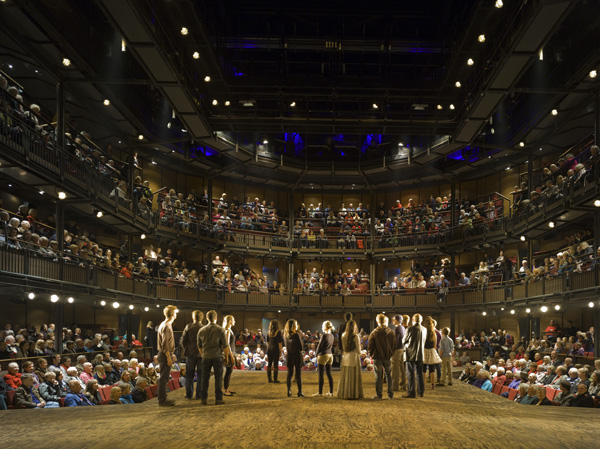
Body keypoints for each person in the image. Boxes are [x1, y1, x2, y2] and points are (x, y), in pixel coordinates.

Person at [197, 310, 231, 405]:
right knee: (218, 378)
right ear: (216, 318)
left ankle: (204, 399)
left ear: (207, 318)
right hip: (217, 356)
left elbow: (199, 345)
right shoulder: (220, 329)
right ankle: (218, 399)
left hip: (206, 357)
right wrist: (226, 357)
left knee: (205, 378)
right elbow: (225, 345)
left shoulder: (201, 330)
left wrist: (203, 354)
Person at [368, 313, 395, 400]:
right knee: (389, 375)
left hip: (377, 356)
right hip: (387, 356)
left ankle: (379, 394)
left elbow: (370, 345)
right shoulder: (391, 332)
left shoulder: (374, 333)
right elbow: (394, 345)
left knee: (378, 376)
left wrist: (370, 354)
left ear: (377, 321)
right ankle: (390, 394)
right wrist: (391, 353)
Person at [156, 305, 178, 407]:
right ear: (173, 314)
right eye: (175, 313)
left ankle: (163, 399)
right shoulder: (167, 326)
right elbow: (165, 344)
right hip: (165, 354)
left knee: (164, 378)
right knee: (163, 378)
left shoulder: (163, 324)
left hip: (165, 354)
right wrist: (169, 356)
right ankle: (162, 400)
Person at [336, 319, 364, 399]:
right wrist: (361, 353)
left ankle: (345, 393)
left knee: (345, 376)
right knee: (353, 376)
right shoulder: (355, 336)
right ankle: (353, 394)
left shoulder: (343, 334)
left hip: (345, 356)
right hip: (353, 357)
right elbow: (358, 350)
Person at [403, 313, 427, 398]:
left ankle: (411, 392)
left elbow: (404, 341)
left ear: (413, 320)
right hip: (420, 354)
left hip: (410, 353)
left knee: (410, 373)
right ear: (421, 320)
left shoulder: (410, 329)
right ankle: (421, 392)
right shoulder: (424, 329)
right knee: (420, 374)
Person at [180, 310, 203, 400]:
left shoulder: (188, 327)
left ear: (193, 317)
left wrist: (186, 348)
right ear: (202, 318)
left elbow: (183, 340)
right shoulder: (204, 328)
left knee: (189, 375)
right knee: (201, 375)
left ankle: (189, 394)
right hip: (201, 354)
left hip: (190, 354)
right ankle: (199, 394)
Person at [313, 321, 335, 397]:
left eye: (323, 326)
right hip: (330, 355)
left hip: (323, 355)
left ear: (325, 327)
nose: (322, 327)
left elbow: (320, 346)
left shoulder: (324, 336)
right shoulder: (332, 335)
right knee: (329, 374)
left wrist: (316, 354)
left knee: (321, 374)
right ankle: (331, 392)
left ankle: (320, 392)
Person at [284, 318, 304, 398]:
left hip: (289, 355)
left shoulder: (285, 335)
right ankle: (300, 391)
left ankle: (289, 391)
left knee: (289, 374)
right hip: (297, 356)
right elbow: (301, 347)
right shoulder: (296, 335)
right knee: (298, 374)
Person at [423, 317, 443, 390]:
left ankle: (423, 384)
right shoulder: (434, 332)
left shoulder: (424, 332)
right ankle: (432, 384)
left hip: (425, 350)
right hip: (432, 350)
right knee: (432, 369)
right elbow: (435, 343)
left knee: (423, 369)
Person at [391, 314, 407, 392]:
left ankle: (395, 386)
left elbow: (396, 341)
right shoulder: (403, 328)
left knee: (395, 367)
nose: (393, 321)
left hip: (397, 349)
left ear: (397, 320)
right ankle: (403, 383)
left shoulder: (397, 328)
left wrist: (393, 349)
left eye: (394, 319)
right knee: (401, 367)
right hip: (402, 348)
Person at [222, 315, 237, 397]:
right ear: (230, 321)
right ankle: (225, 389)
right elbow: (227, 345)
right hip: (229, 353)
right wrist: (230, 356)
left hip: (231, 352)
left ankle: (227, 388)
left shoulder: (229, 330)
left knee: (229, 372)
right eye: (233, 320)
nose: (235, 322)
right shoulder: (227, 331)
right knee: (228, 372)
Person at [266, 319, 283, 384]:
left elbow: (267, 343)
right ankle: (275, 379)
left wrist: (267, 350)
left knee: (269, 364)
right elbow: (279, 343)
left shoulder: (268, 332)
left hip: (269, 349)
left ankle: (269, 378)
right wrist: (280, 351)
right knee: (275, 364)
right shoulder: (278, 332)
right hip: (275, 349)